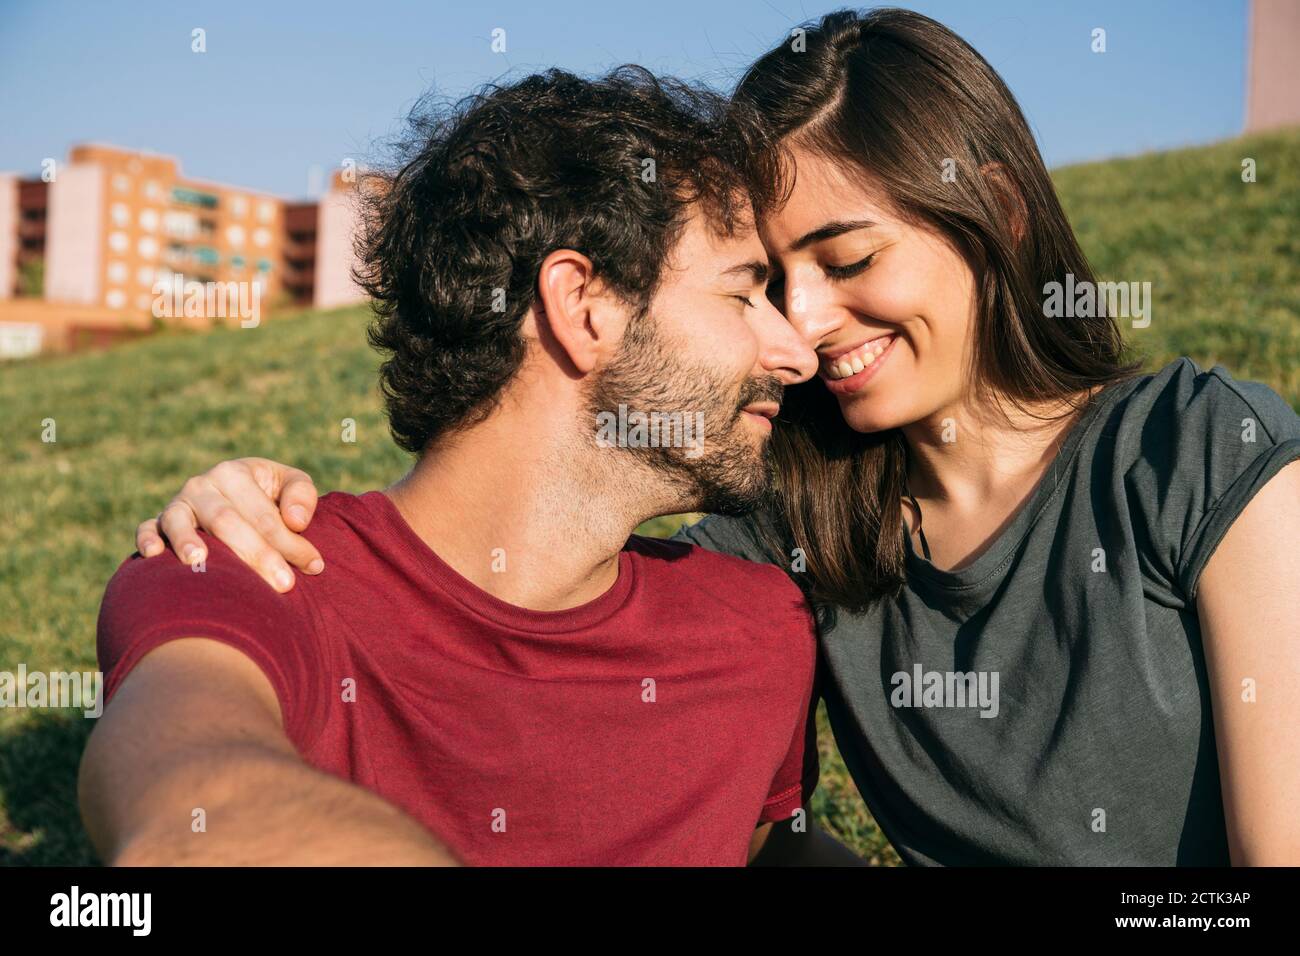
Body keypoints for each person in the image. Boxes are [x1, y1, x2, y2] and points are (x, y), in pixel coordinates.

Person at [141, 10, 1300, 865]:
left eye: (847, 263)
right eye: (768, 282)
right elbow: (189, 808)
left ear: (994, 213)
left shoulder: (1191, 450)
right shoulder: (784, 522)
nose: (801, 331)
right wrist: (243, 505)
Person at [83, 67, 864, 867]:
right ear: (582, 305)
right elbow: (189, 813)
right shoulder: (248, 568)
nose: (796, 352)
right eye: (743, 296)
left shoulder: (760, 630)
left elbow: (775, 847)